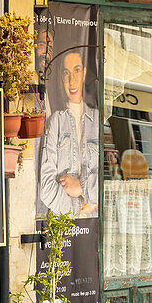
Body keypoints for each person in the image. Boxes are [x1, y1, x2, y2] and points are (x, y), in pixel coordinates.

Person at [38, 49, 99, 217]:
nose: (72, 80)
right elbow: (46, 188)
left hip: (95, 226)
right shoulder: (56, 121)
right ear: (61, 78)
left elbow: (111, 183)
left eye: (77, 71)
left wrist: (81, 186)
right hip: (63, 225)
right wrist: (79, 206)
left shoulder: (99, 121)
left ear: (85, 73)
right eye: (66, 73)